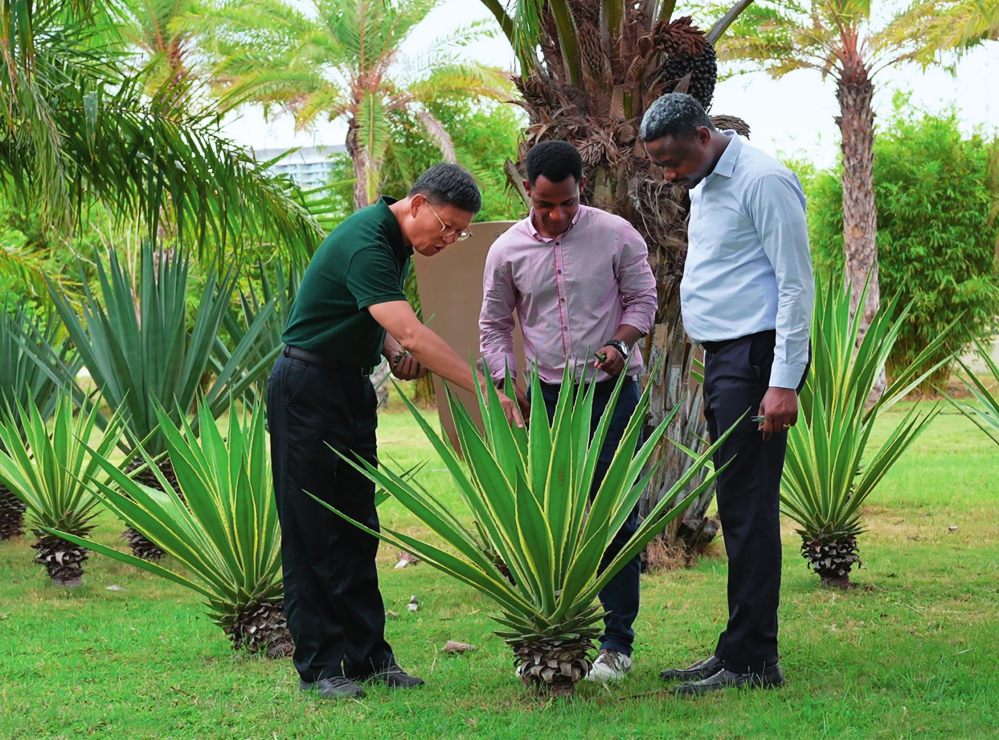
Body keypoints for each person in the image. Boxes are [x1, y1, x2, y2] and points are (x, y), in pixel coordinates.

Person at [268, 164, 523, 701]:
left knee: (359, 527)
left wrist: (389, 351)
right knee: (312, 529)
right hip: (307, 387)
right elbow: (410, 329)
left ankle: (368, 659)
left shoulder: (395, 242)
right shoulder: (368, 240)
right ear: (417, 203)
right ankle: (319, 668)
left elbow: (373, 320)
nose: (450, 240)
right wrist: (483, 390)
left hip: (349, 387)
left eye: (460, 233)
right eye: (448, 227)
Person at [640, 93, 814, 695]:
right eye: (657, 162)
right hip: (728, 359)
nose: (666, 173)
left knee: (749, 512)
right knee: (739, 507)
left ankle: (754, 663)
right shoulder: (706, 183)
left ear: (702, 133)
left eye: (671, 158)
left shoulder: (764, 180)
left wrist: (783, 381)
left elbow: (795, 286)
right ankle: (735, 651)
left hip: (759, 358)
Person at [479, 140, 658, 683]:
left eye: (567, 203)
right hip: (547, 401)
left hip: (609, 394)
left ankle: (616, 644)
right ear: (527, 192)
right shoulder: (505, 251)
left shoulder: (616, 234)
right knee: (549, 520)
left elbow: (643, 300)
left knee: (616, 517)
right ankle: (556, 636)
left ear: (582, 190)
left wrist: (620, 345)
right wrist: (508, 386)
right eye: (545, 205)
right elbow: (492, 326)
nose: (557, 215)